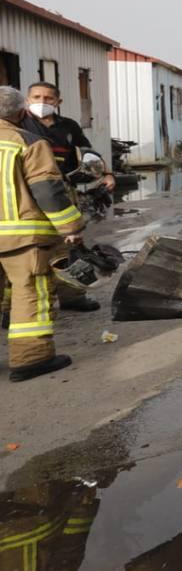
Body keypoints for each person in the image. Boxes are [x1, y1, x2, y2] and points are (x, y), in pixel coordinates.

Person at [0, 85, 85, 381]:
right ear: (22, 112)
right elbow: (48, 192)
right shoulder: (28, 142)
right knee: (29, 292)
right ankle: (30, 359)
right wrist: (71, 229)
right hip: (20, 238)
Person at [19, 83, 105, 312]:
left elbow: (87, 152)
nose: (42, 102)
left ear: (58, 102)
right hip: (27, 194)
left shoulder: (68, 126)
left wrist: (104, 173)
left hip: (63, 192)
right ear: (27, 100)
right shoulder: (17, 125)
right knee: (28, 249)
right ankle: (13, 308)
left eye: (48, 98)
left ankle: (73, 296)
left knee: (71, 245)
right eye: (36, 97)